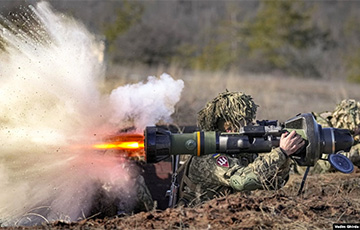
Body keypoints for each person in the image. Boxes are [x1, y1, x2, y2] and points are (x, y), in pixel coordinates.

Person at [177, 91, 305, 207]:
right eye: (246, 121)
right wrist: (280, 153)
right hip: (196, 218)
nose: (251, 125)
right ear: (228, 127)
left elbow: (273, 184)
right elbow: (243, 181)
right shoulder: (208, 157)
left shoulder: (240, 152)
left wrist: (285, 157)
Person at [299, 99, 360, 174]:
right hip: (297, 169)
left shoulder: (348, 134)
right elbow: (326, 163)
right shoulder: (321, 128)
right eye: (358, 126)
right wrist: (358, 151)